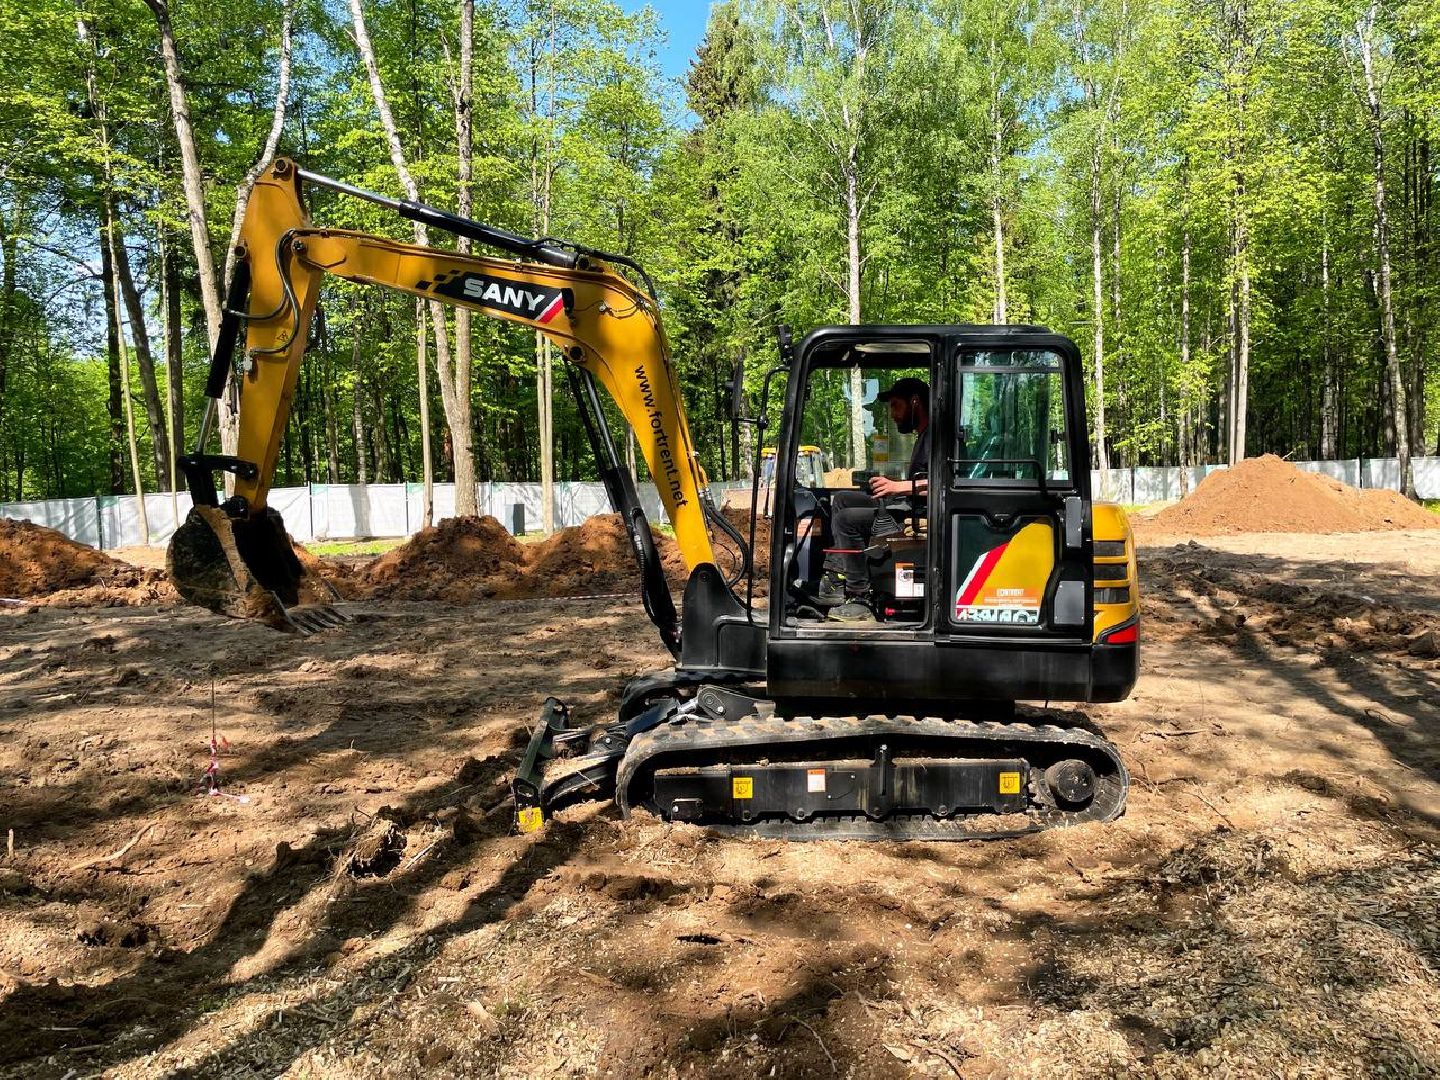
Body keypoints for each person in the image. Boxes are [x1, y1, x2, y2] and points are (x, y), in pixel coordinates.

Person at [818, 376, 930, 622]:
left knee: (847, 521)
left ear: (914, 402)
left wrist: (897, 486)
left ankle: (860, 595)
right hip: (908, 505)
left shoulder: (936, 437)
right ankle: (837, 575)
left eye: (895, 406)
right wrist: (889, 485)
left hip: (921, 515)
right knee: (842, 500)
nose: (892, 414)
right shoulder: (923, 436)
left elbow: (941, 484)